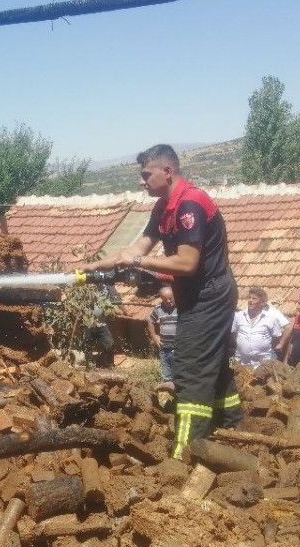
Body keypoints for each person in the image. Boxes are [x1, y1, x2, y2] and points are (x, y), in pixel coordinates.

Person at [85, 144, 241, 459]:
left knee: (191, 368)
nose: (141, 181)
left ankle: (186, 451)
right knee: (210, 362)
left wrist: (139, 262)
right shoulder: (162, 207)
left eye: (146, 175)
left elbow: (186, 263)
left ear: (167, 172)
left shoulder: (190, 204)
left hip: (209, 295)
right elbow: (139, 247)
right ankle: (233, 426)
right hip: (195, 296)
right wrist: (100, 264)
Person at [231, 287, 289, 368]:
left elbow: (276, 338)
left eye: (254, 299)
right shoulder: (238, 316)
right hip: (241, 362)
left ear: (262, 303)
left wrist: (262, 346)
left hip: (264, 364)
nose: (250, 300)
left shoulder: (271, 318)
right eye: (249, 298)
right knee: (232, 373)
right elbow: (233, 335)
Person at [148, 286, 177, 381]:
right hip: (164, 348)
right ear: (161, 299)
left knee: (179, 373)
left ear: (174, 296)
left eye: (170, 298)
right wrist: (154, 336)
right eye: (165, 299)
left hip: (179, 348)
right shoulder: (158, 309)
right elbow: (150, 320)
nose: (168, 301)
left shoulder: (181, 307)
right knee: (166, 373)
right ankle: (167, 385)